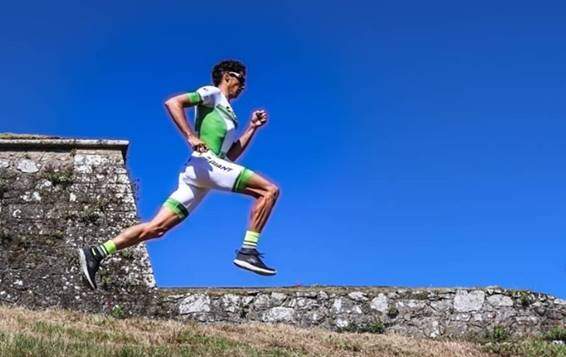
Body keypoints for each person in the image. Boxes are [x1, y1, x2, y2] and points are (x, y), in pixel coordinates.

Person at [78, 59, 280, 290]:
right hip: (205, 165)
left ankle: (96, 252)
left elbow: (229, 157)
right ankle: (248, 250)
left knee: (157, 228)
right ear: (226, 76)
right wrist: (191, 136)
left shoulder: (229, 112)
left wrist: (252, 127)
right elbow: (173, 102)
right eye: (241, 79)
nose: (243, 85)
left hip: (204, 173)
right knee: (269, 191)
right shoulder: (212, 93)